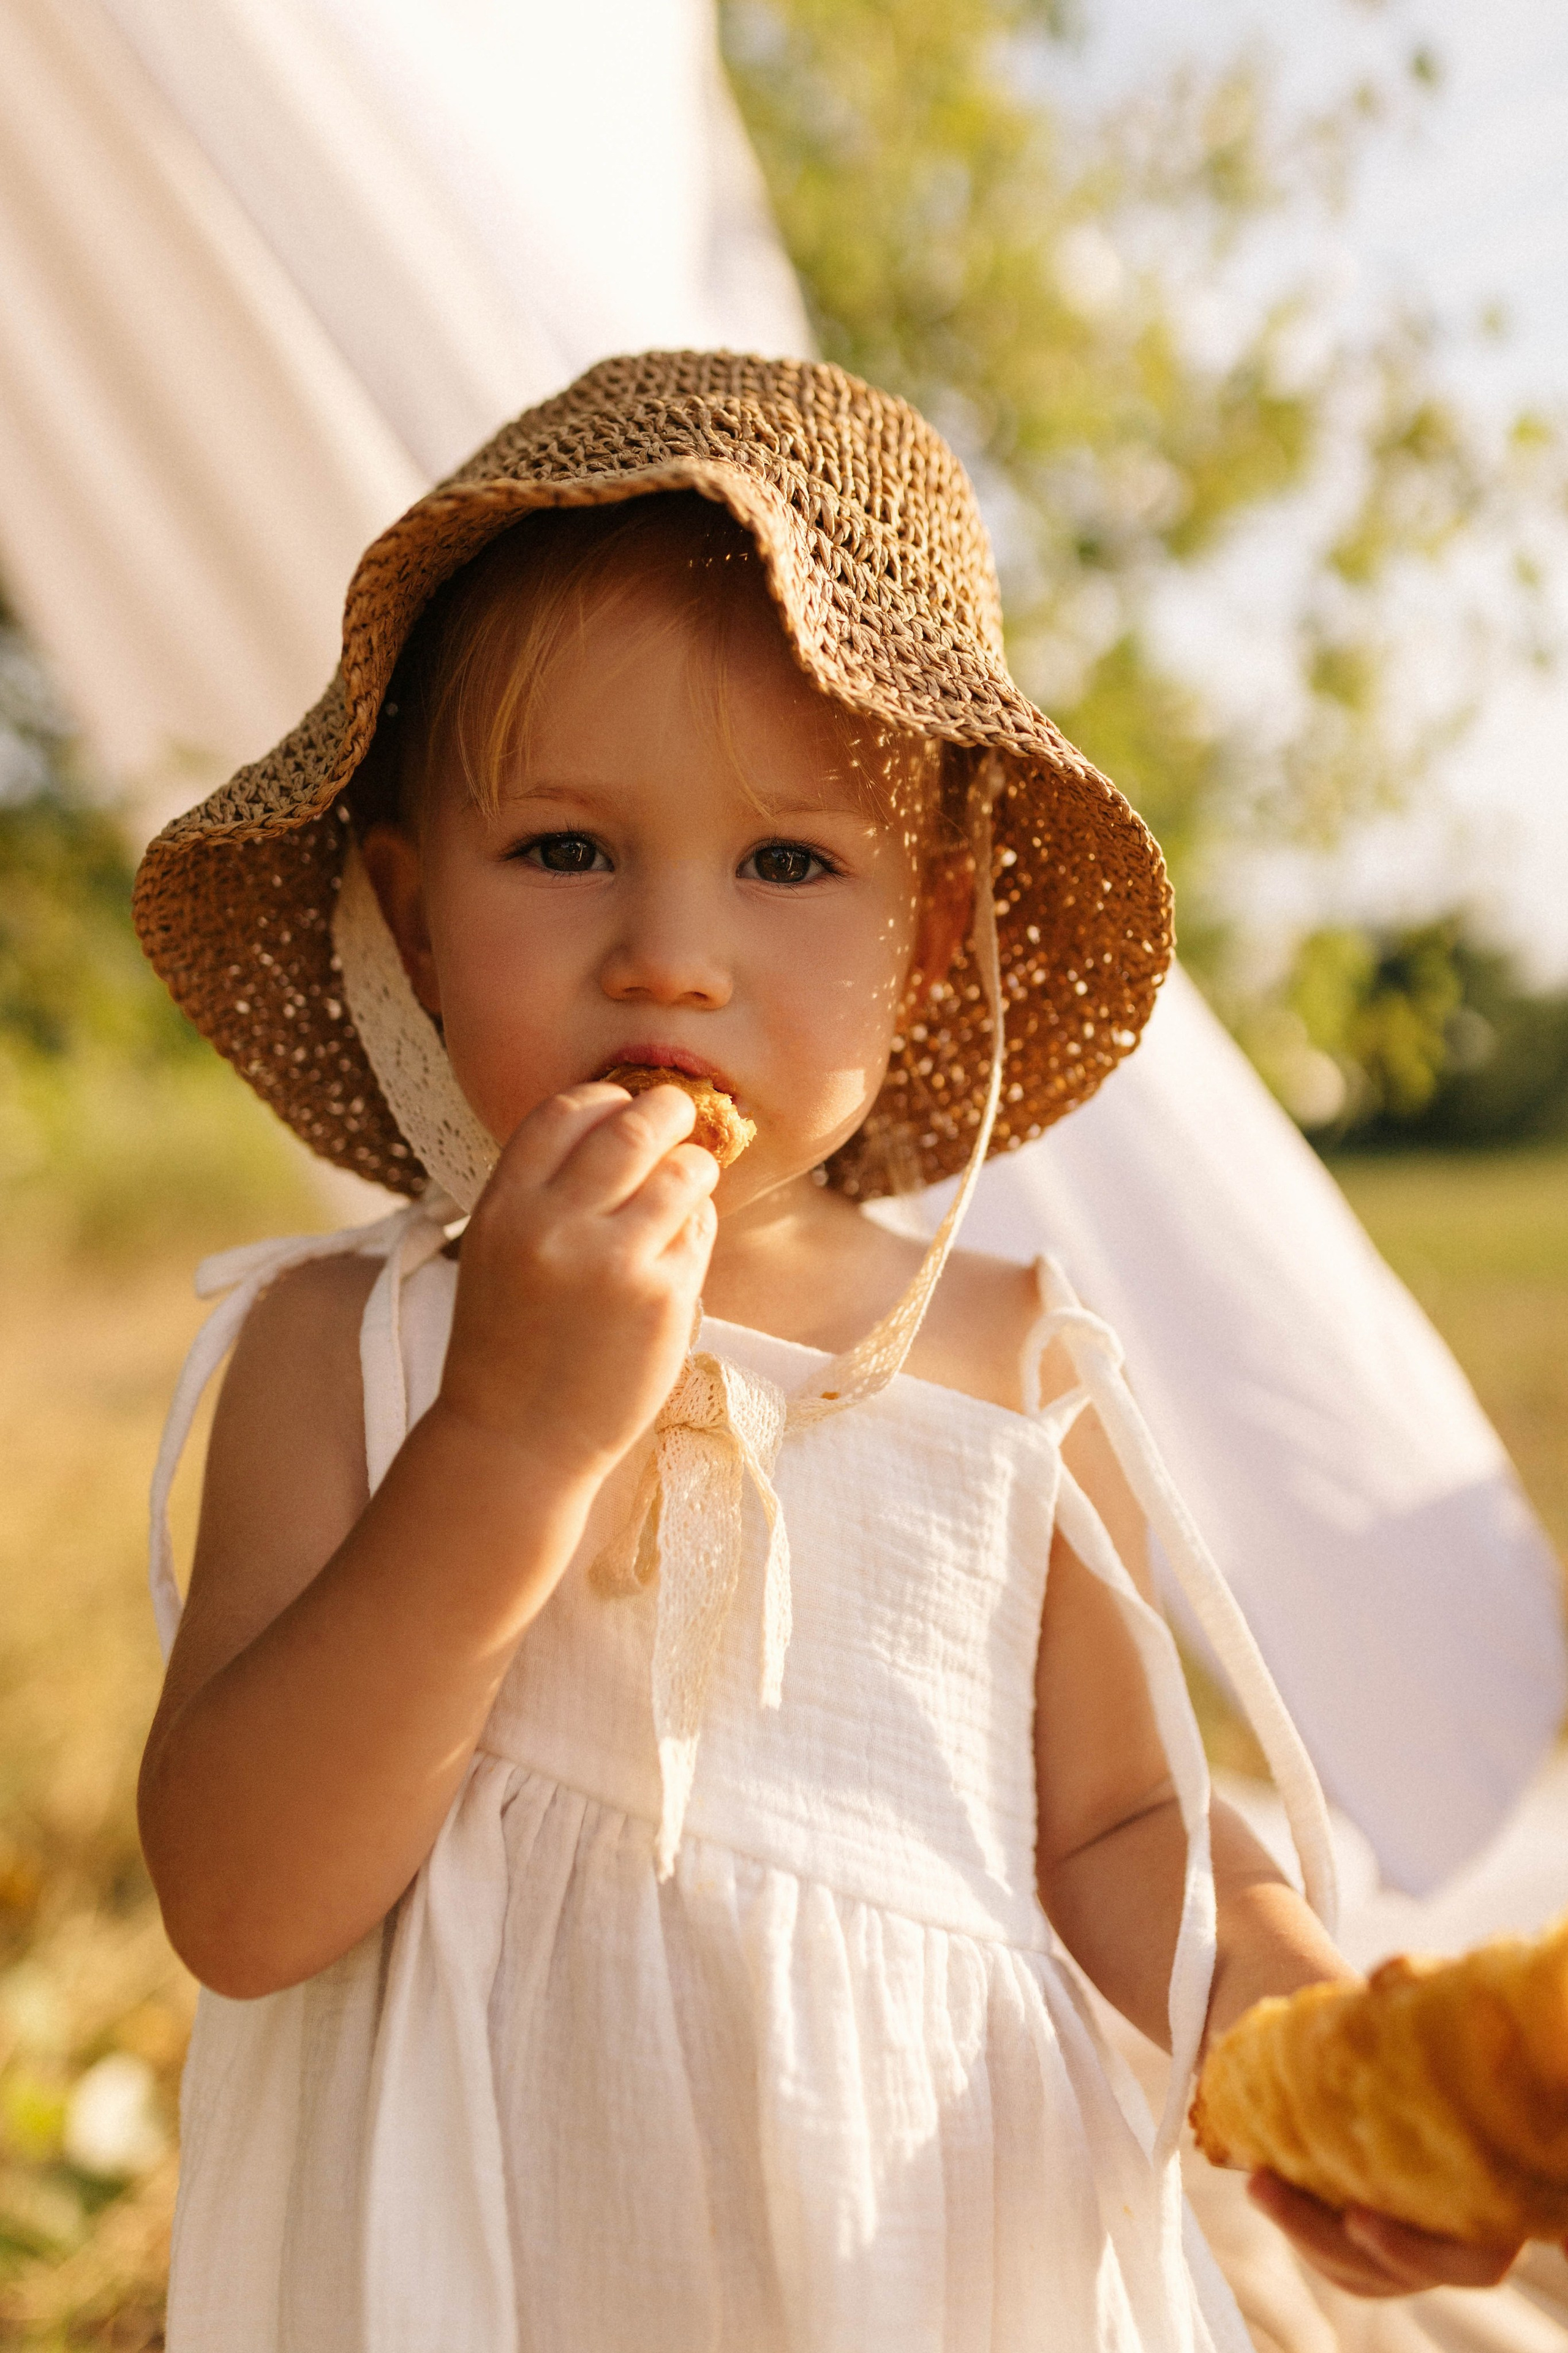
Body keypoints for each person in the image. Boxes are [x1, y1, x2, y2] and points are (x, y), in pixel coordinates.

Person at [132, 352, 1523, 2352]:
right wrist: (510, 1436)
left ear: (932, 935)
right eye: (561, 850)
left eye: (789, 863)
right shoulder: (343, 1342)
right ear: (411, 921)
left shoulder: (1001, 1350)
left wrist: (1287, 2010)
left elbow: (1118, 1821)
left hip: (915, 2256)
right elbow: (243, 1903)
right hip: (475, 2267)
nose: (670, 951)